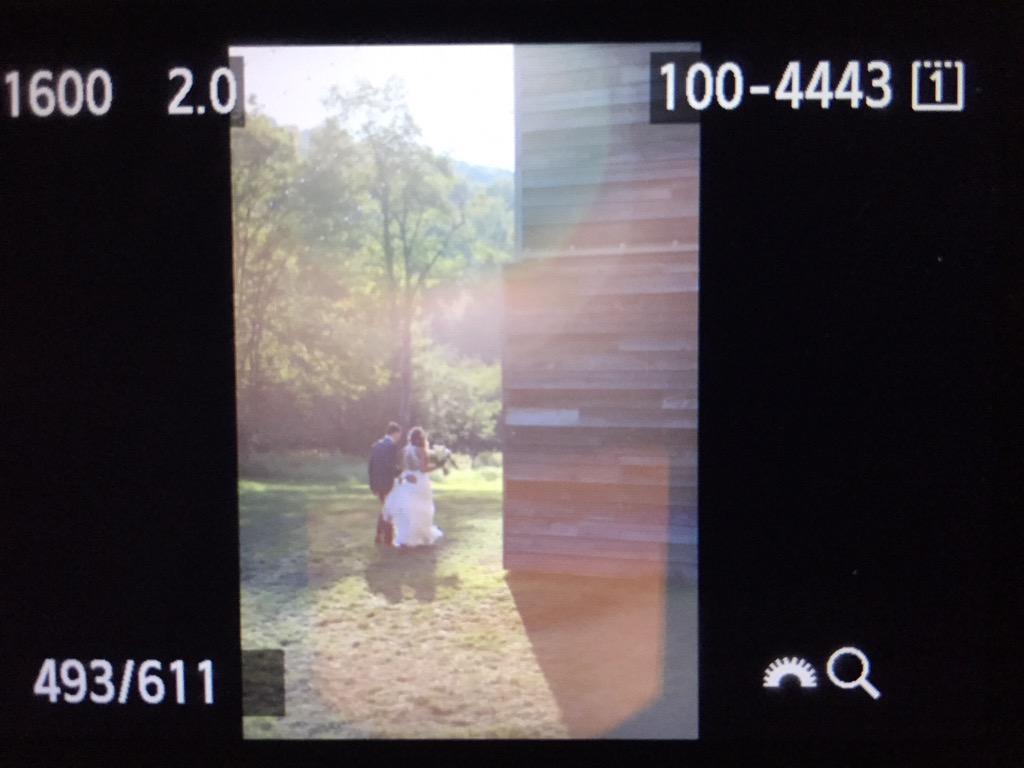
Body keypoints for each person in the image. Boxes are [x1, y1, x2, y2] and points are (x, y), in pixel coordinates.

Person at [382, 426, 444, 547]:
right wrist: (438, 465)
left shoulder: (405, 450)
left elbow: (401, 467)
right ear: (421, 438)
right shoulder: (421, 451)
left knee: (409, 508)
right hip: (420, 481)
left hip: (408, 479)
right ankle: (420, 535)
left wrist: (405, 476)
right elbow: (423, 469)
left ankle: (406, 536)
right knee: (422, 508)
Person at [368, 422, 402, 544]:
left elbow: (371, 466)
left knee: (386, 508)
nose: (399, 437)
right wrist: (401, 474)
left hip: (377, 482)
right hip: (387, 482)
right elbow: (390, 465)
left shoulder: (377, 445)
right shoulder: (391, 446)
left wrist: (372, 484)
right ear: (395, 433)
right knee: (389, 509)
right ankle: (387, 537)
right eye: (399, 434)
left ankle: (380, 536)